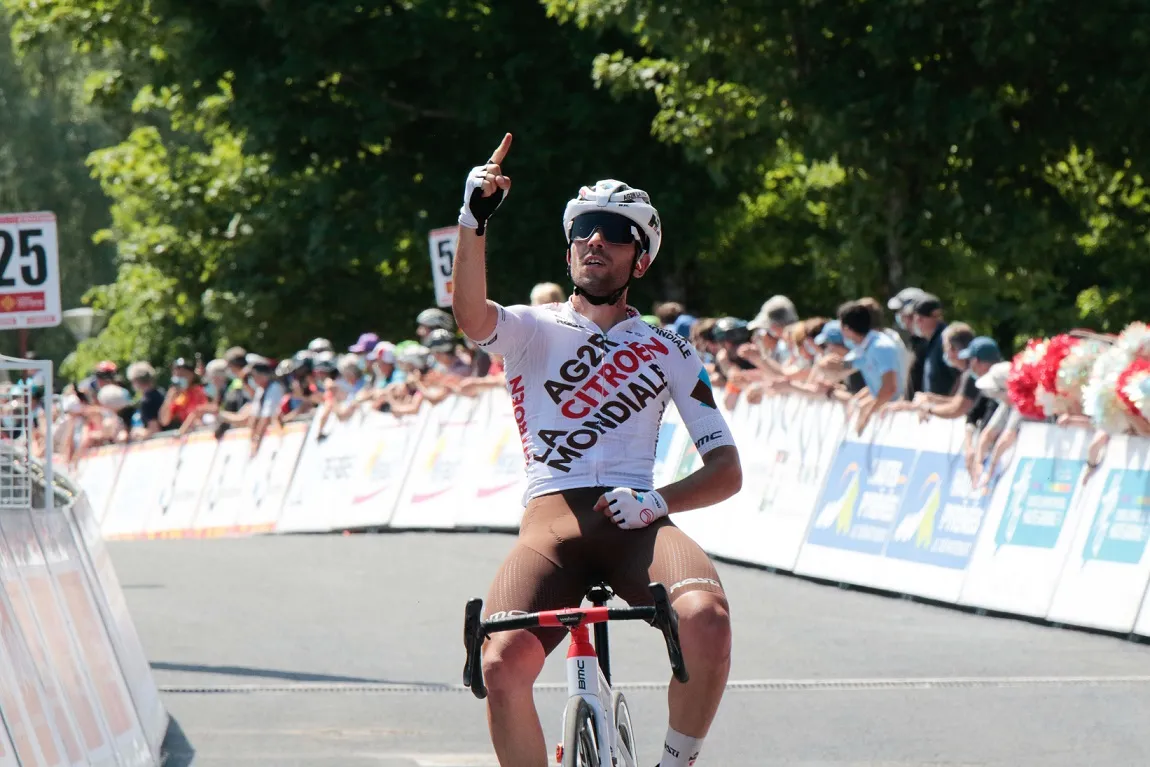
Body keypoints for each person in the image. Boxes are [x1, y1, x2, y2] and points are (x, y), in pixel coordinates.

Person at [451, 133, 742, 767]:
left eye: (614, 233)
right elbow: (470, 315)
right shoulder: (532, 329)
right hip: (551, 527)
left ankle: (674, 763)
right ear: (568, 250)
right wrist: (473, 221)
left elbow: (727, 470)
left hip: (637, 522)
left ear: (640, 261)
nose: (595, 241)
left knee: (707, 620)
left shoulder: (669, 347)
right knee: (499, 664)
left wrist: (656, 502)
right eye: (584, 230)